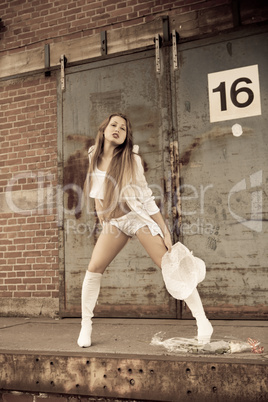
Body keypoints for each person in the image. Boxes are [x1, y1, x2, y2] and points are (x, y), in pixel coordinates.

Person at [77, 113, 213, 348]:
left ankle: (202, 321)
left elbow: (147, 198)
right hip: (115, 223)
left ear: (127, 136)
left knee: (170, 265)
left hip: (136, 218)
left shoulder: (132, 160)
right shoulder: (93, 154)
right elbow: (96, 188)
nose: (118, 129)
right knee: (94, 269)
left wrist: (165, 231)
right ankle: (85, 325)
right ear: (104, 129)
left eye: (124, 128)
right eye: (114, 125)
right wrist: (100, 212)